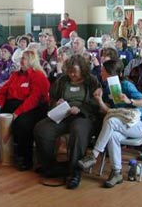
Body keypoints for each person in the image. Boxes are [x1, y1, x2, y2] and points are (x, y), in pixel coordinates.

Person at [78, 59, 142, 188]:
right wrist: (99, 100)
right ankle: (117, 172)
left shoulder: (126, 85)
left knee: (111, 122)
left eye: (103, 71)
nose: (101, 73)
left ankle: (94, 155)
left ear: (110, 73)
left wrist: (130, 101)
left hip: (139, 125)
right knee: (112, 133)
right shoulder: (107, 88)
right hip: (121, 124)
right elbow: (107, 110)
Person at [34, 55, 101, 189]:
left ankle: (75, 170)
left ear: (82, 70)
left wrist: (80, 109)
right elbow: (52, 98)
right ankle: (50, 166)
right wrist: (57, 103)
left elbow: (96, 104)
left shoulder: (92, 81)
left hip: (83, 116)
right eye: (69, 71)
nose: (72, 74)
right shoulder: (62, 80)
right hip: (63, 114)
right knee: (42, 129)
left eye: (75, 72)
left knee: (78, 129)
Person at [0, 50, 50, 171]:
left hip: (34, 108)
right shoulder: (15, 75)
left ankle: (26, 158)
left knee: (22, 123)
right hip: (13, 105)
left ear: (31, 61)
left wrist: (17, 112)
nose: (21, 61)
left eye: (24, 59)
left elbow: (34, 99)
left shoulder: (38, 75)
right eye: (21, 58)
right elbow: (3, 91)